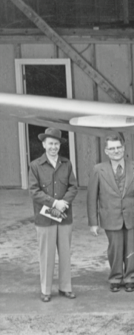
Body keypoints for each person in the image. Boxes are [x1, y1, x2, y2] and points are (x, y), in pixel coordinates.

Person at [87, 134, 134, 293]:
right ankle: (115, 277)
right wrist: (93, 222)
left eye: (118, 147)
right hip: (110, 216)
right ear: (106, 151)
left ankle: (130, 278)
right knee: (115, 248)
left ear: (124, 148)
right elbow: (92, 197)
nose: (116, 151)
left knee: (131, 249)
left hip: (131, 215)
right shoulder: (98, 170)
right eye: (112, 149)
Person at [29, 128, 78, 302]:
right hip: (45, 218)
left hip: (64, 216)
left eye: (56, 144)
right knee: (47, 254)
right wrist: (53, 203)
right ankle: (46, 290)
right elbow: (34, 191)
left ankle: (66, 287)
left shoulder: (67, 164)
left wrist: (64, 202)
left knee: (65, 253)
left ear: (60, 145)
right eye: (50, 143)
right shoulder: (35, 165)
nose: (53, 147)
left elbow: (73, 186)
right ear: (44, 144)